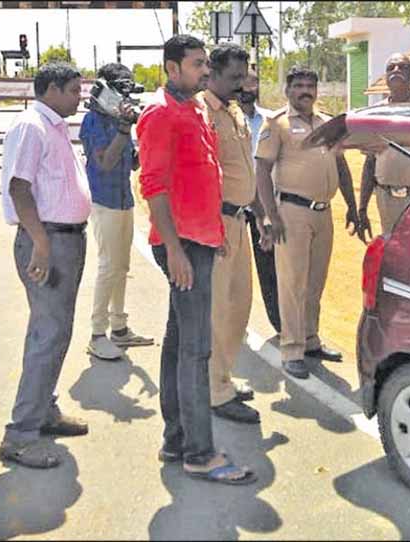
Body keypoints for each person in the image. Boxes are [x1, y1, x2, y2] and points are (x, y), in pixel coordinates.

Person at [137, 34, 255, 484]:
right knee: (195, 350)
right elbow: (154, 187)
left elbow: (205, 178)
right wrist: (175, 249)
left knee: (177, 344)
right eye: (196, 65)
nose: (205, 71)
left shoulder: (193, 111)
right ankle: (200, 453)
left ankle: (176, 440)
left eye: (206, 64)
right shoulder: (161, 114)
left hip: (202, 239)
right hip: (182, 245)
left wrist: (216, 231)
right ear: (171, 68)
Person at [0, 62, 91, 468]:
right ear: (51, 89)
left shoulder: (53, 126)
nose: (79, 97)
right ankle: (20, 435)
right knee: (47, 335)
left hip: (64, 240)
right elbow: (19, 188)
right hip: (47, 241)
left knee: (56, 332)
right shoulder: (31, 126)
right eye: (73, 90)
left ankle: (44, 409)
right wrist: (40, 243)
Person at [256, 66, 360, 379]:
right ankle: (291, 349)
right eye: (299, 85)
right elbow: (262, 170)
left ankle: (311, 340)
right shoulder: (276, 124)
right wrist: (270, 215)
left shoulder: (328, 123)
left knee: (315, 282)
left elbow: (341, 166)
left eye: (310, 86)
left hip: (323, 213)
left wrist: (352, 207)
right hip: (292, 213)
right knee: (292, 284)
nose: (305, 91)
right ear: (287, 90)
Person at [200, 43, 266, 424]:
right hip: (218, 224)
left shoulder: (235, 111)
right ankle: (215, 391)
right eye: (234, 77)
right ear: (211, 71)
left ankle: (222, 377)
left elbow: (245, 170)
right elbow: (202, 176)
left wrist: (260, 214)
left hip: (241, 221)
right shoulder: (202, 112)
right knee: (218, 311)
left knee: (239, 306)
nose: (242, 85)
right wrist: (213, 226)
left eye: (244, 77)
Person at [80, 62, 153, 361]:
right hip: (104, 201)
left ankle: (119, 328)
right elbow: (106, 163)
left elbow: (132, 162)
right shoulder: (94, 122)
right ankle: (97, 334)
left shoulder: (117, 118)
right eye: (122, 87)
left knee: (122, 266)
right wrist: (125, 129)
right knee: (109, 266)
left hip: (123, 199)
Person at [356, 53, 410, 241]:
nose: (396, 71)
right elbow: (370, 163)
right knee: (392, 249)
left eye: (402, 67)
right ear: (385, 79)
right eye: (390, 68)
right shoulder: (376, 114)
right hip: (387, 200)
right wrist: (362, 208)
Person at [238, 70, 281, 334]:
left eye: (252, 82)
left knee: (270, 269)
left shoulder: (270, 121)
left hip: (264, 205)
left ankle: (281, 325)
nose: (246, 86)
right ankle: (231, 324)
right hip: (232, 208)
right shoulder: (222, 121)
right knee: (233, 271)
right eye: (241, 81)